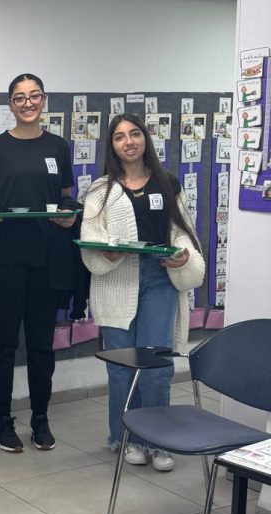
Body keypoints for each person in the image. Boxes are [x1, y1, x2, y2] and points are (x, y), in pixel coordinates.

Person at [80, 114, 205, 472]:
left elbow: (182, 230)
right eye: (119, 137)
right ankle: (126, 437)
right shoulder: (100, 190)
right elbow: (90, 236)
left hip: (159, 276)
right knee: (122, 366)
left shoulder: (167, 183)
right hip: (116, 278)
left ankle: (158, 440)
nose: (129, 142)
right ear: (112, 145)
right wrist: (106, 253)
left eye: (134, 134)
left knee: (156, 363)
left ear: (145, 139)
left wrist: (183, 255)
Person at [0, 73, 77, 454]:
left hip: (46, 259)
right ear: (10, 104)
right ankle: (2, 419)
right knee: (4, 342)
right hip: (5, 258)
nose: (27, 103)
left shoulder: (58, 147)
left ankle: (40, 418)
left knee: (41, 345)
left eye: (34, 96)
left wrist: (69, 215)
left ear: (43, 100)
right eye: (19, 97)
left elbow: (66, 196)